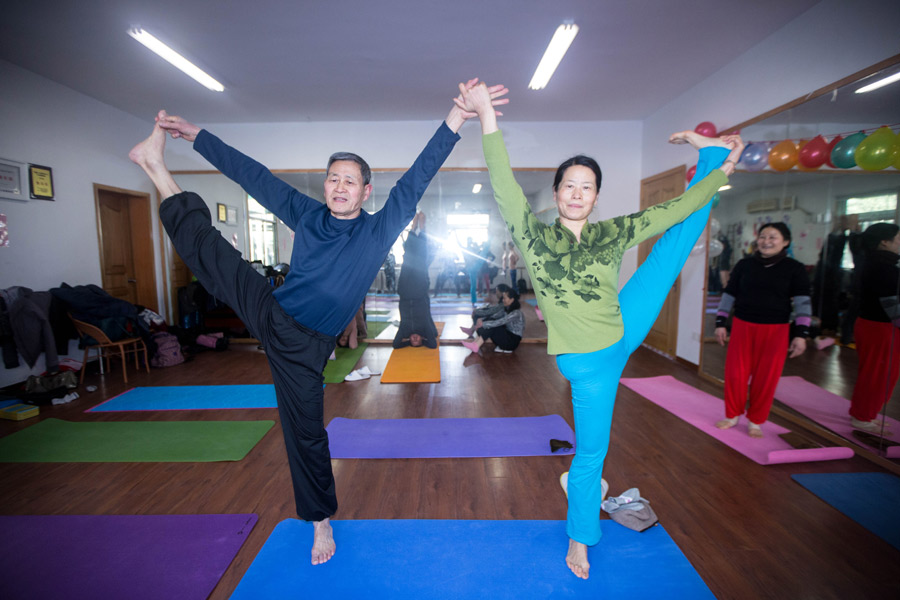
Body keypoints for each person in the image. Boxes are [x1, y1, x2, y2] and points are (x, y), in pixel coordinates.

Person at [128, 80, 509, 566]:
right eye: (333, 178)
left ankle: (319, 519)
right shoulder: (307, 214)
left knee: (305, 434)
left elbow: (419, 174)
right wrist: (198, 135)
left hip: (305, 349)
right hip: (272, 311)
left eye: (350, 180)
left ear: (365, 191)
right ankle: (156, 167)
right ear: (325, 185)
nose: (339, 187)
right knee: (216, 259)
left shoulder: (379, 229)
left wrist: (457, 116)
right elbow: (252, 175)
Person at [457, 81, 743, 579]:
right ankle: (581, 537)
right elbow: (503, 182)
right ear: (556, 194)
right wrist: (486, 117)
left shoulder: (611, 232)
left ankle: (712, 157)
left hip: (621, 327)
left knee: (671, 247)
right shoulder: (535, 237)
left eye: (586, 186)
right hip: (589, 365)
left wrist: (717, 174)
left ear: (595, 197)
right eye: (569, 185)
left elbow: (671, 210)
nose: (577, 193)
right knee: (591, 454)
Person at [714, 222, 811, 437]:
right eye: (763, 236)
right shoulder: (744, 265)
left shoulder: (795, 268)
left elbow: (803, 303)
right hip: (743, 326)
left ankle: (755, 421)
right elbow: (729, 294)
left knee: (766, 378)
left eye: (772, 237)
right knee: (735, 374)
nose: (766, 241)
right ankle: (732, 415)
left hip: (776, 330)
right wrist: (720, 322)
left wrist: (801, 335)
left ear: (785, 242)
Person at [848, 223, 900, 432]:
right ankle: (862, 418)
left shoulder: (880, 263)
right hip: (879, 328)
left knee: (879, 374)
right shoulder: (881, 267)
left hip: (877, 326)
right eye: (898, 238)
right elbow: (890, 304)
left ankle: (865, 413)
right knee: (877, 375)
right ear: (884, 242)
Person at [393, 212, 439, 348]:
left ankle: (413, 228)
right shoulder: (425, 328)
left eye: (412, 341)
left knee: (408, 257)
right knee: (421, 259)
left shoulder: (404, 330)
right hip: (419, 291)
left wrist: (407, 342)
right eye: (417, 341)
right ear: (422, 339)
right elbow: (433, 344)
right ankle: (422, 228)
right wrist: (424, 339)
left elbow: (396, 345)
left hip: (405, 291)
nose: (414, 339)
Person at [461, 286, 524, 353]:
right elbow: (494, 316)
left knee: (494, 325)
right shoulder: (506, 309)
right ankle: (475, 343)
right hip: (507, 337)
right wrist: (482, 320)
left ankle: (476, 346)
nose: (503, 300)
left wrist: (483, 324)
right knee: (491, 320)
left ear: (512, 300)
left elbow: (501, 321)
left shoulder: (516, 313)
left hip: (512, 342)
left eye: (504, 298)